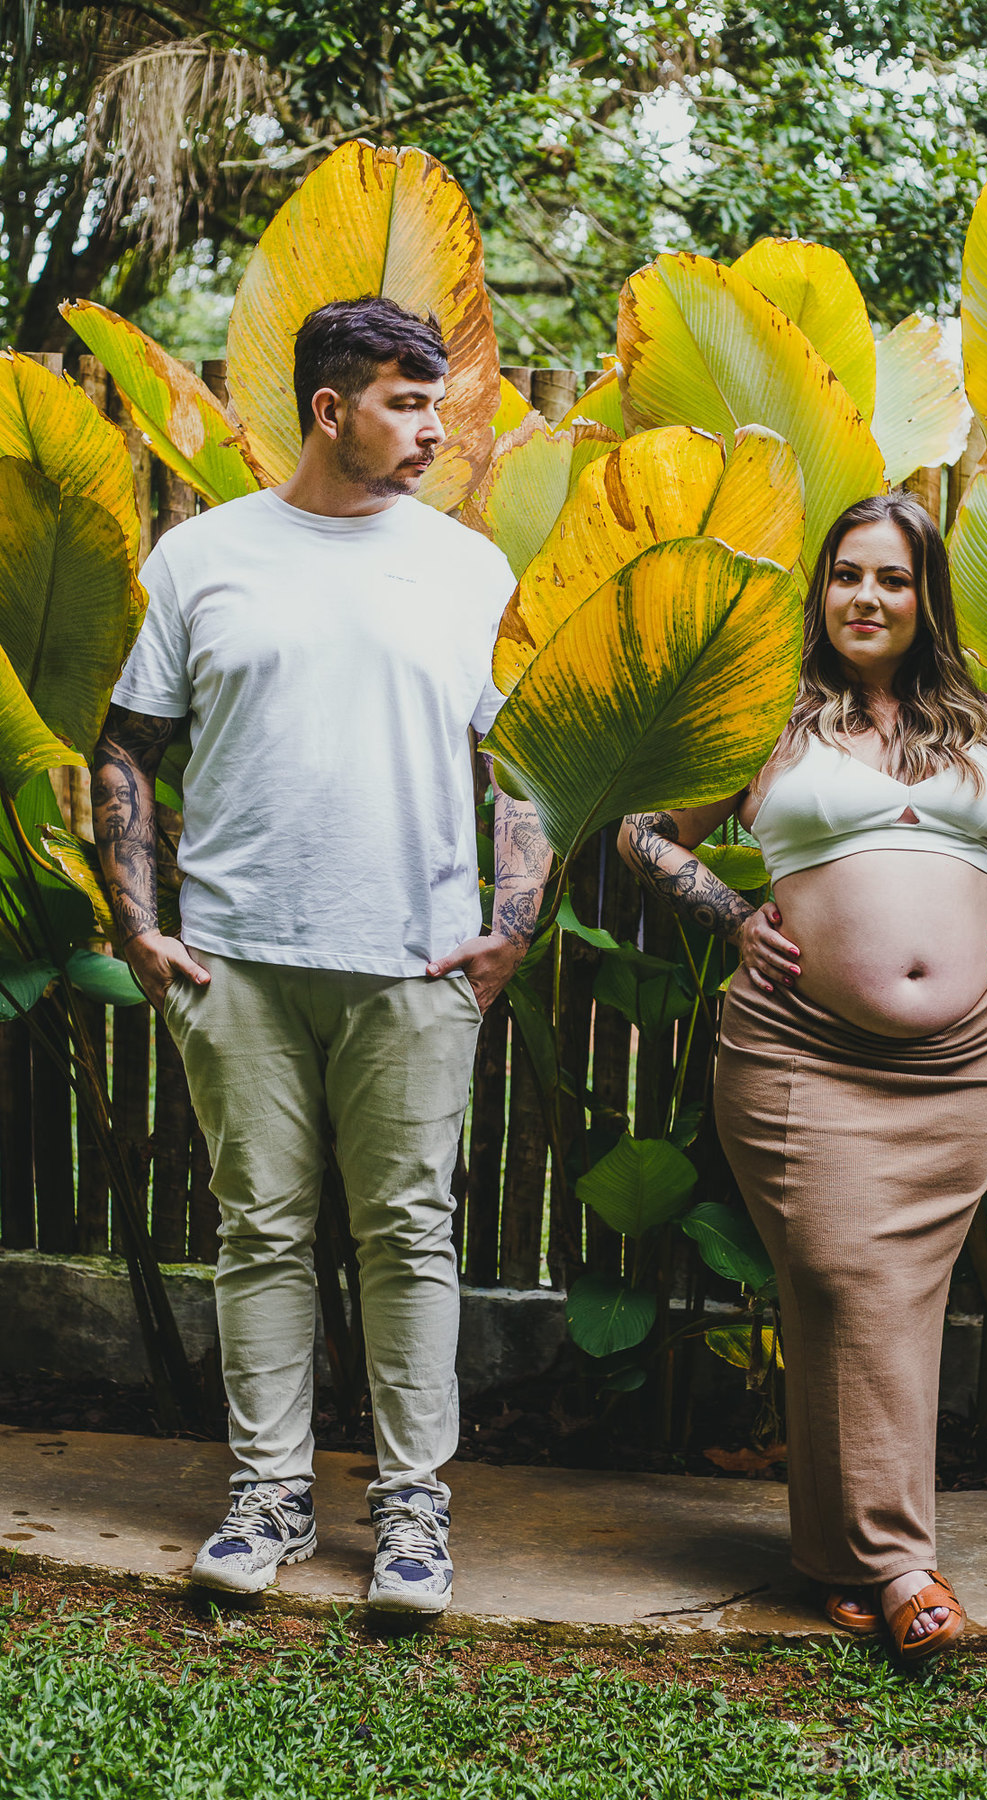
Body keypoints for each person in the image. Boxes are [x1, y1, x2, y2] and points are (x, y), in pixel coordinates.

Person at [92, 296, 551, 1614]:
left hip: (415, 963)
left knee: (410, 1233)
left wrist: (513, 922)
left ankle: (411, 1515)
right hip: (239, 961)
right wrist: (138, 920)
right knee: (260, 1233)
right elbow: (127, 744)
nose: (436, 428)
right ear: (330, 409)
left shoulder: (468, 571)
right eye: (409, 404)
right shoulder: (205, 558)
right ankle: (268, 1497)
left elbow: (519, 764)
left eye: (438, 402)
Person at [618, 491, 987, 1661]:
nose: (868, 596)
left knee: (876, 1296)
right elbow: (644, 832)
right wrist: (731, 916)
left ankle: (841, 1559)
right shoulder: (767, 717)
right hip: (802, 1048)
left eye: (894, 578)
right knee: (842, 1269)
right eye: (849, 575)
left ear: (927, 598)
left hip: (962, 1063)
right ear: (822, 591)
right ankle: (906, 1564)